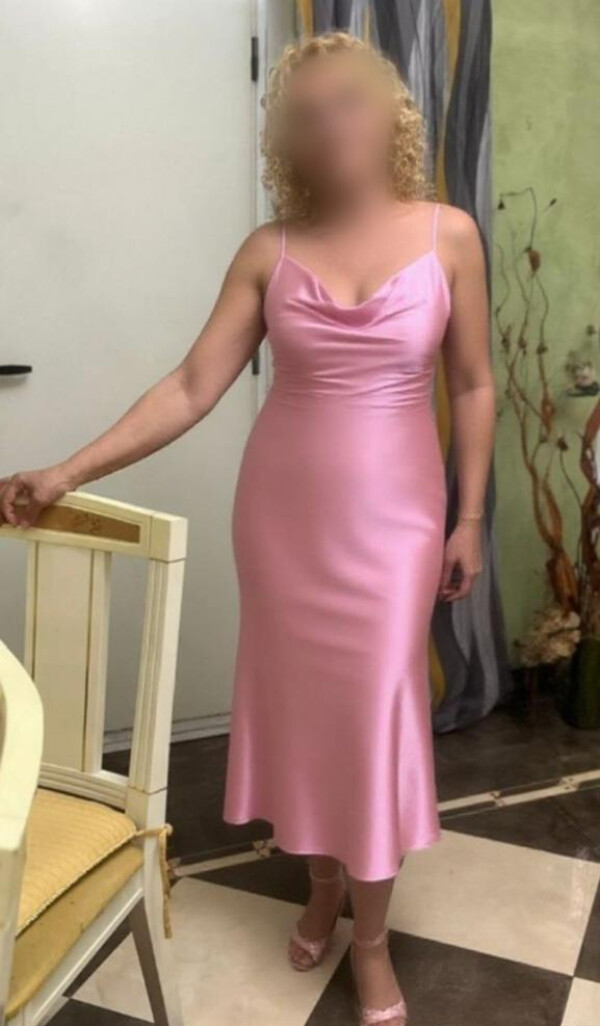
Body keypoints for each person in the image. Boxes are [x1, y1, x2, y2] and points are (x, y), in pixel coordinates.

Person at [0, 32, 495, 1026]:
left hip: (396, 528)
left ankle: (370, 941)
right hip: (283, 525)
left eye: (349, 101)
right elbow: (191, 385)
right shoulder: (268, 251)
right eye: (306, 113)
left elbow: (475, 384)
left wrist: (470, 515)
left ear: (390, 113)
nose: (331, 124)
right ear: (286, 140)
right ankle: (320, 886)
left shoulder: (450, 235)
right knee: (309, 718)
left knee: (374, 720)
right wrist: (65, 471)